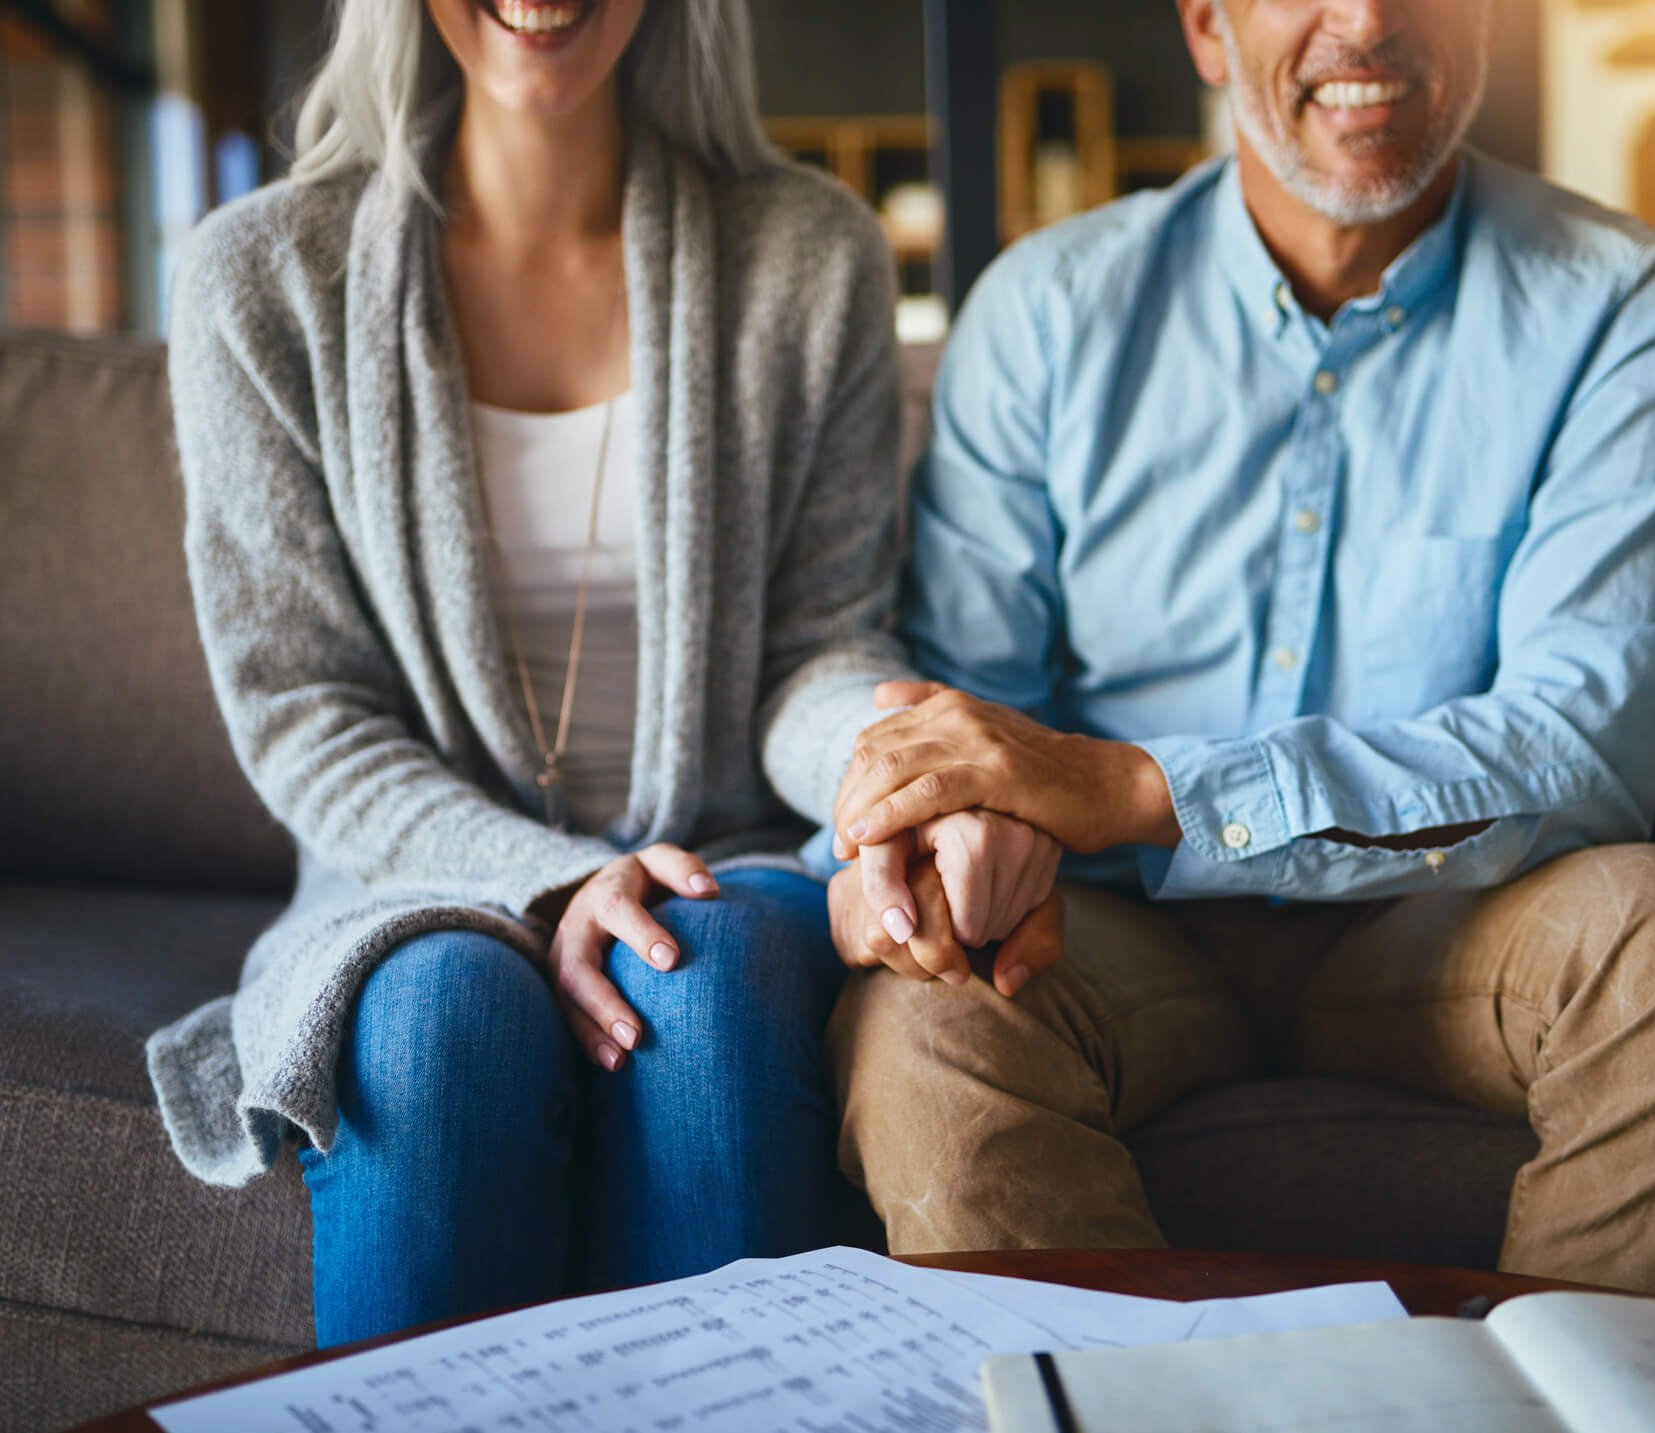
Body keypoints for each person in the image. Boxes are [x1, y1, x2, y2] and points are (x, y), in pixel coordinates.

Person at [820, 0, 1655, 1305]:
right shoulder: (1048, 309)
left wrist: (1137, 788)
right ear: (1204, 27)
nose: (1364, 22)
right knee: (922, 1025)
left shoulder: (1618, 302)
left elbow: (1583, 746)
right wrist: (932, 858)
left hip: (1455, 924)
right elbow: (968, 720)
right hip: (1118, 932)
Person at [145, 0, 1055, 1348]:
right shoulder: (258, 277)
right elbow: (304, 711)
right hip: (410, 877)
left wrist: (900, 763)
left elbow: (820, 649)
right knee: (441, 1019)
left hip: (725, 855)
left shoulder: (814, 258)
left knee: (699, 976)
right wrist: (552, 877)